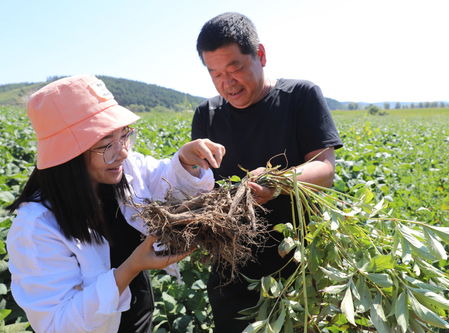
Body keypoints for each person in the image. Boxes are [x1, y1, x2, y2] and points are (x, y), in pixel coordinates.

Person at [6, 75, 225, 333]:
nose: (122, 151)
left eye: (124, 136)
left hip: (140, 320)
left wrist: (185, 161)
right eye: (106, 144)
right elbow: (58, 324)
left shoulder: (123, 169)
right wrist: (131, 268)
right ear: (67, 155)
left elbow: (163, 179)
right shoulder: (35, 228)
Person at [192, 12, 343, 332]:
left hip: (296, 266)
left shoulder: (300, 97)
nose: (226, 83)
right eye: (215, 73)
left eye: (234, 68)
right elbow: (204, 184)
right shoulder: (207, 114)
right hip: (231, 269)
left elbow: (325, 167)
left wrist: (278, 182)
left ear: (260, 55)